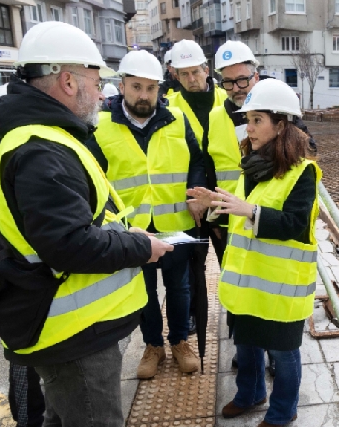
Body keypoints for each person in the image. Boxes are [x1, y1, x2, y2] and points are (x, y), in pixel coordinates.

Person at [0, 21, 173, 427]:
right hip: (72, 335)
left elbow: (80, 220)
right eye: (95, 80)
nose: (103, 91)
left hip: (72, 332)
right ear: (68, 81)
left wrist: (127, 234)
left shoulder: (45, 138)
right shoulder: (40, 150)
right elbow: (70, 244)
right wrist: (142, 247)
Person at [188, 78, 321, 427]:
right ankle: (250, 394)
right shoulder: (252, 167)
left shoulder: (302, 173)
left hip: (280, 287)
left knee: (282, 353)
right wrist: (213, 206)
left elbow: (293, 223)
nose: (249, 127)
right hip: (249, 284)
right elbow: (239, 209)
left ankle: (282, 411)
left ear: (281, 125)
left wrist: (248, 211)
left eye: (257, 120)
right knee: (245, 344)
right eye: (248, 120)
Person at [85, 50, 207, 379]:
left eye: (150, 88)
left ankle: (180, 341)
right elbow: (93, 178)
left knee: (180, 287)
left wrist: (195, 193)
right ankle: (153, 346)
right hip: (131, 228)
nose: (144, 95)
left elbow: (198, 161)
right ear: (122, 85)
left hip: (175, 222)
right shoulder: (101, 124)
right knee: (144, 290)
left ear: (160, 89)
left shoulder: (177, 120)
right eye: (136, 86)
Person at [166, 39, 228, 368]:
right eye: (185, 73)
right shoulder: (169, 104)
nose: (192, 78)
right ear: (175, 75)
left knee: (231, 259)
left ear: (206, 69)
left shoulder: (225, 99)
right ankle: (191, 317)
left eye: (196, 71)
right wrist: (193, 194)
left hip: (225, 194)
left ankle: (236, 317)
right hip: (191, 199)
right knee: (192, 264)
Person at [0, 84, 45, 427]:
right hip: (14, 282)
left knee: (29, 366)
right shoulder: (9, 159)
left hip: (18, 280)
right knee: (25, 367)